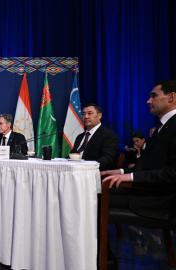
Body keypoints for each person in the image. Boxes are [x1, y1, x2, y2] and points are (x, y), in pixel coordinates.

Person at [102, 81, 176, 220]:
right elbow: (150, 166)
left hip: (160, 201)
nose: (148, 101)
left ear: (171, 97)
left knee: (94, 200)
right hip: (148, 192)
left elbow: (173, 173)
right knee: (94, 194)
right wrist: (121, 172)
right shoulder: (163, 127)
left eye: (154, 96)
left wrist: (129, 177)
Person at [70, 103, 119, 171]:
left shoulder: (108, 135)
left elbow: (108, 159)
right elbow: (73, 155)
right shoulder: (80, 137)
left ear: (99, 116)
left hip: (93, 173)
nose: (86, 116)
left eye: (90, 113)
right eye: (83, 114)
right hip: (75, 171)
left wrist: (86, 167)